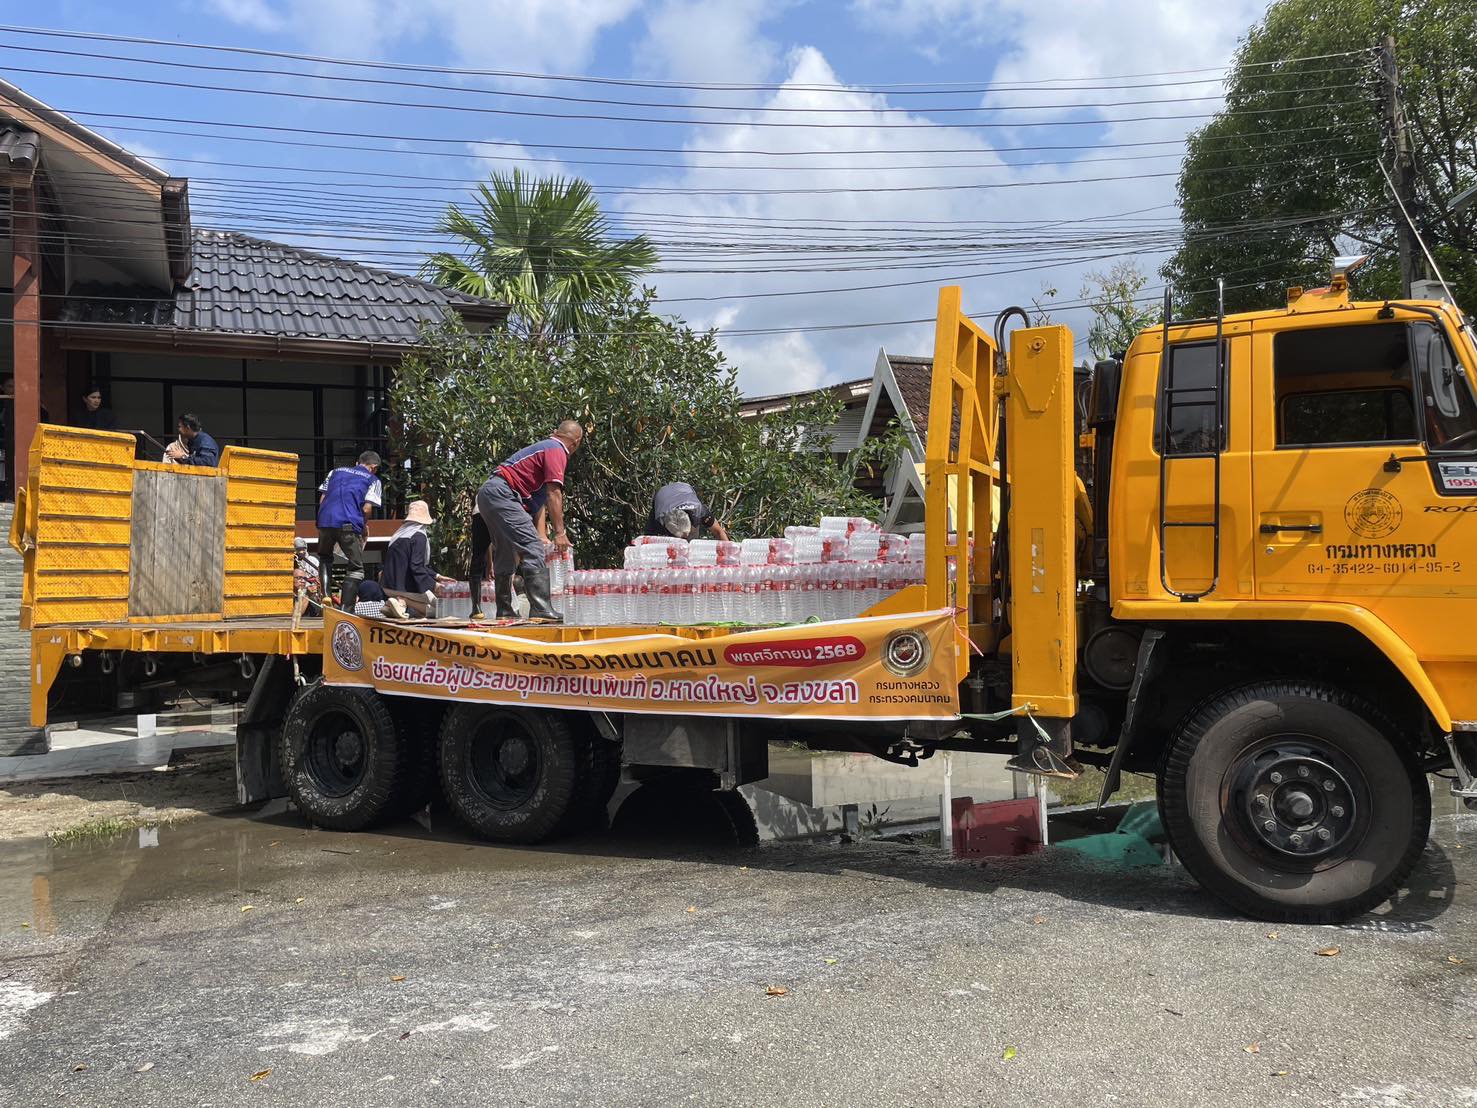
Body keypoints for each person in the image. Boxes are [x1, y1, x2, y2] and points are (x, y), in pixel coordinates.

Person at [476, 420, 582, 621]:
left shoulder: (544, 448)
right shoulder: (556, 450)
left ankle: (505, 610)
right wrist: (560, 533)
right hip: (503, 493)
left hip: (489, 493)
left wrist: (541, 534)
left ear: (556, 432)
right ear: (576, 442)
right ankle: (541, 609)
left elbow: (538, 503)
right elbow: (553, 493)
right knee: (532, 547)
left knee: (506, 551)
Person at [316, 450, 383, 611]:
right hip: (349, 524)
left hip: (325, 522)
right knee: (355, 567)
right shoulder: (373, 480)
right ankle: (346, 608)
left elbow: (323, 499)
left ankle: (326, 595)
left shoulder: (334, 472)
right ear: (374, 467)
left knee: (325, 557)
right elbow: (367, 509)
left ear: (357, 462)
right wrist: (362, 527)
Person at [467, 487, 547, 621]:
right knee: (507, 549)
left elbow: (488, 545)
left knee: (478, 556)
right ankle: (513, 608)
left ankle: (477, 608)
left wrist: (490, 564)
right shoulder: (516, 490)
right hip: (498, 511)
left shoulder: (488, 489)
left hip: (480, 513)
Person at [382, 500, 454, 618]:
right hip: (405, 588)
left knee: (428, 607)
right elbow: (416, 567)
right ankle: (404, 601)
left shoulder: (398, 535)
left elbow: (408, 563)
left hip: (387, 586)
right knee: (442, 609)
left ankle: (392, 605)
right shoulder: (419, 536)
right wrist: (434, 585)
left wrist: (437, 576)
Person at [645, 481, 729, 541]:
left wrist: (729, 553)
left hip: (684, 488)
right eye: (681, 537)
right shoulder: (659, 520)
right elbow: (648, 541)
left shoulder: (700, 511)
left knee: (692, 541)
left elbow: (718, 532)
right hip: (662, 495)